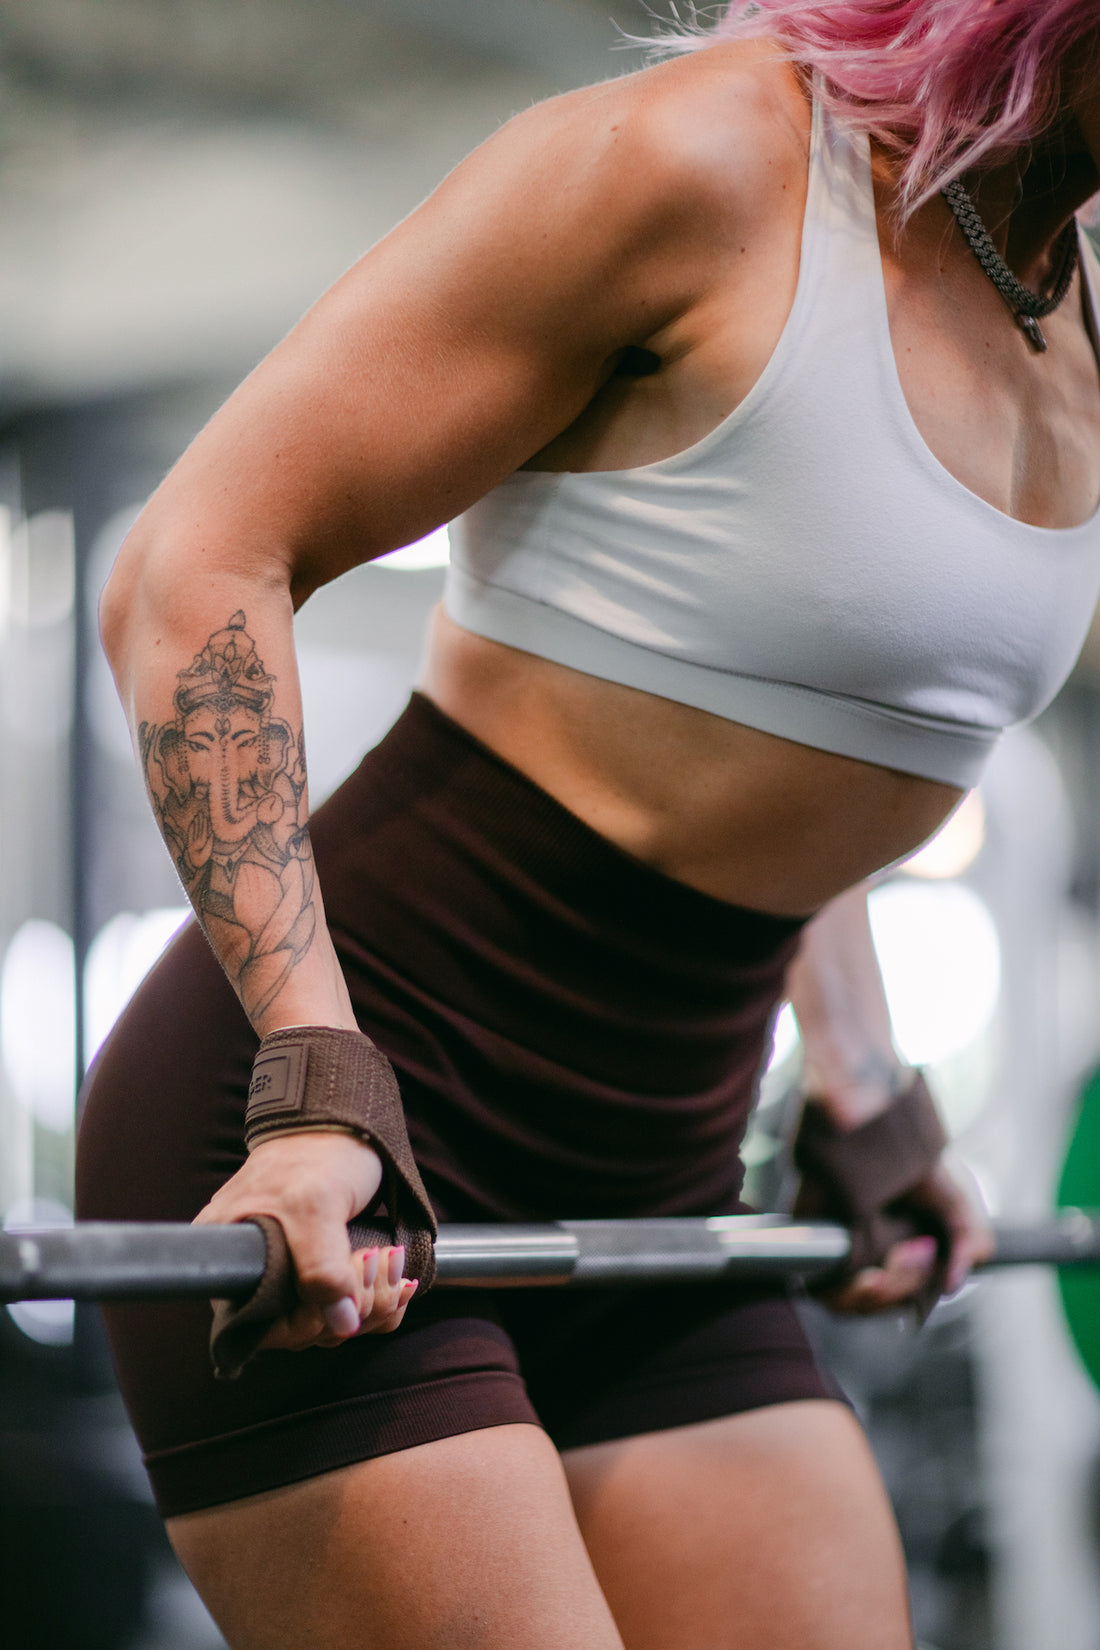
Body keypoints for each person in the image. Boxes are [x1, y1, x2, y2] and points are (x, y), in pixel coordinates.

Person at [75, 2, 1100, 1645]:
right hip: (342, 1146)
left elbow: (791, 696)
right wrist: (312, 1080)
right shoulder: (707, 164)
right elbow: (193, 562)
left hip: (663, 1164)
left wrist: (863, 1073)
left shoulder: (1065, 285)